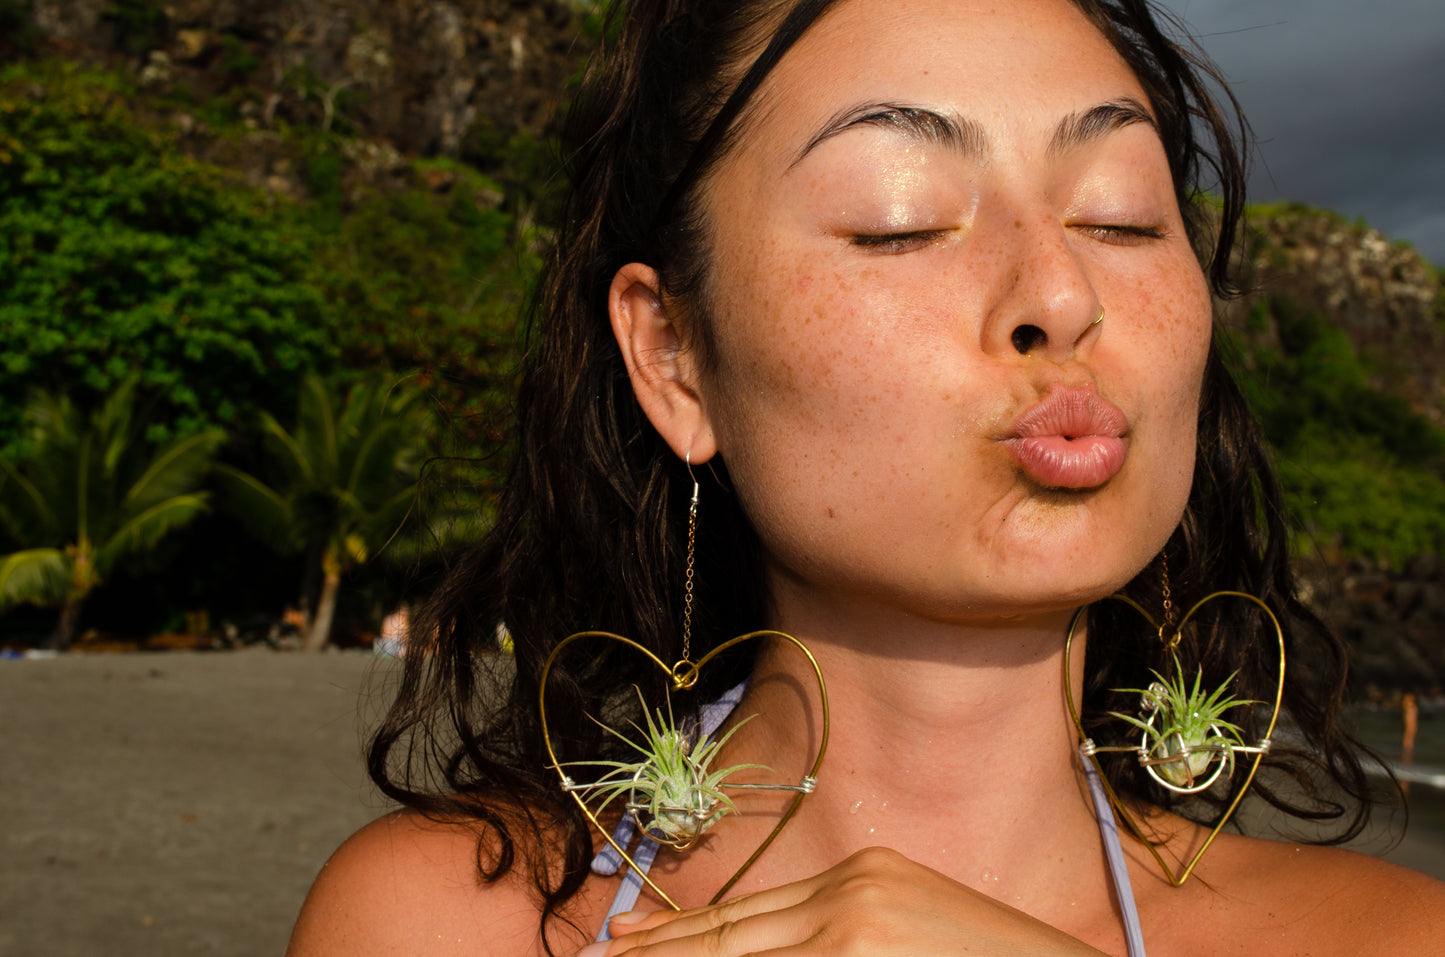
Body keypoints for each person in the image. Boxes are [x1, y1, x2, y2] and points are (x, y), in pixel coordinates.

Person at [287, 0, 1445, 953]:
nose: (1059, 295)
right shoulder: (441, 927)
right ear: (674, 356)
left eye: (1121, 216)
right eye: (900, 221)